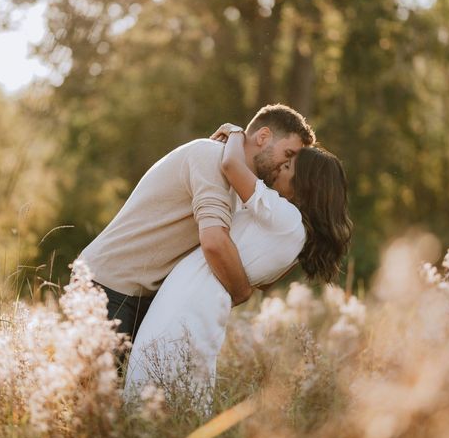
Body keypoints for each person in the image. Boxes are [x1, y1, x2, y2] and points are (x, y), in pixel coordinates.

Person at [124, 128, 352, 405]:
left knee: (158, 375)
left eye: (288, 166)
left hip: (189, 300)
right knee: (182, 379)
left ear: (306, 185)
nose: (280, 167)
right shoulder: (295, 231)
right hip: (203, 300)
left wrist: (235, 133)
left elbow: (231, 164)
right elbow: (263, 280)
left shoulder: (284, 217)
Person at [79, 104, 316, 345]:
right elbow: (214, 241)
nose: (288, 167)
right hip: (109, 287)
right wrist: (242, 292)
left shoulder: (242, 190)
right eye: (288, 155)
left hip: (143, 298)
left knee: (134, 382)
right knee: (96, 383)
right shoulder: (211, 156)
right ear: (263, 137)